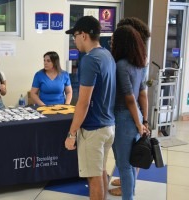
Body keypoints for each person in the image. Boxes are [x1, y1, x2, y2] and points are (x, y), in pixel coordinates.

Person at [64, 16, 116, 200]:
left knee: (94, 179)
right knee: (101, 172)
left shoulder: (89, 59)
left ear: (84, 35)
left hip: (93, 129)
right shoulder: (107, 55)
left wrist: (72, 133)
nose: (74, 40)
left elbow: (83, 102)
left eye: (75, 36)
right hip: (109, 125)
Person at [109, 17, 151, 196]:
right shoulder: (139, 64)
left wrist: (137, 123)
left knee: (124, 165)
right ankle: (130, 193)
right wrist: (144, 121)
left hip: (124, 118)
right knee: (130, 164)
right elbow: (142, 94)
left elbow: (130, 99)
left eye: (113, 40)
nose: (111, 43)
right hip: (136, 118)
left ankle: (128, 196)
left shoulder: (121, 65)